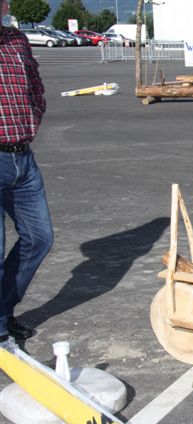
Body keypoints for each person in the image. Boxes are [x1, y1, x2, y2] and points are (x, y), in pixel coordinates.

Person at [0, 0, 53, 343]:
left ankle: (3, 312)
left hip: (23, 158)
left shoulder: (17, 40)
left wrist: (33, 116)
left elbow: (36, 87)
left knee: (39, 238)